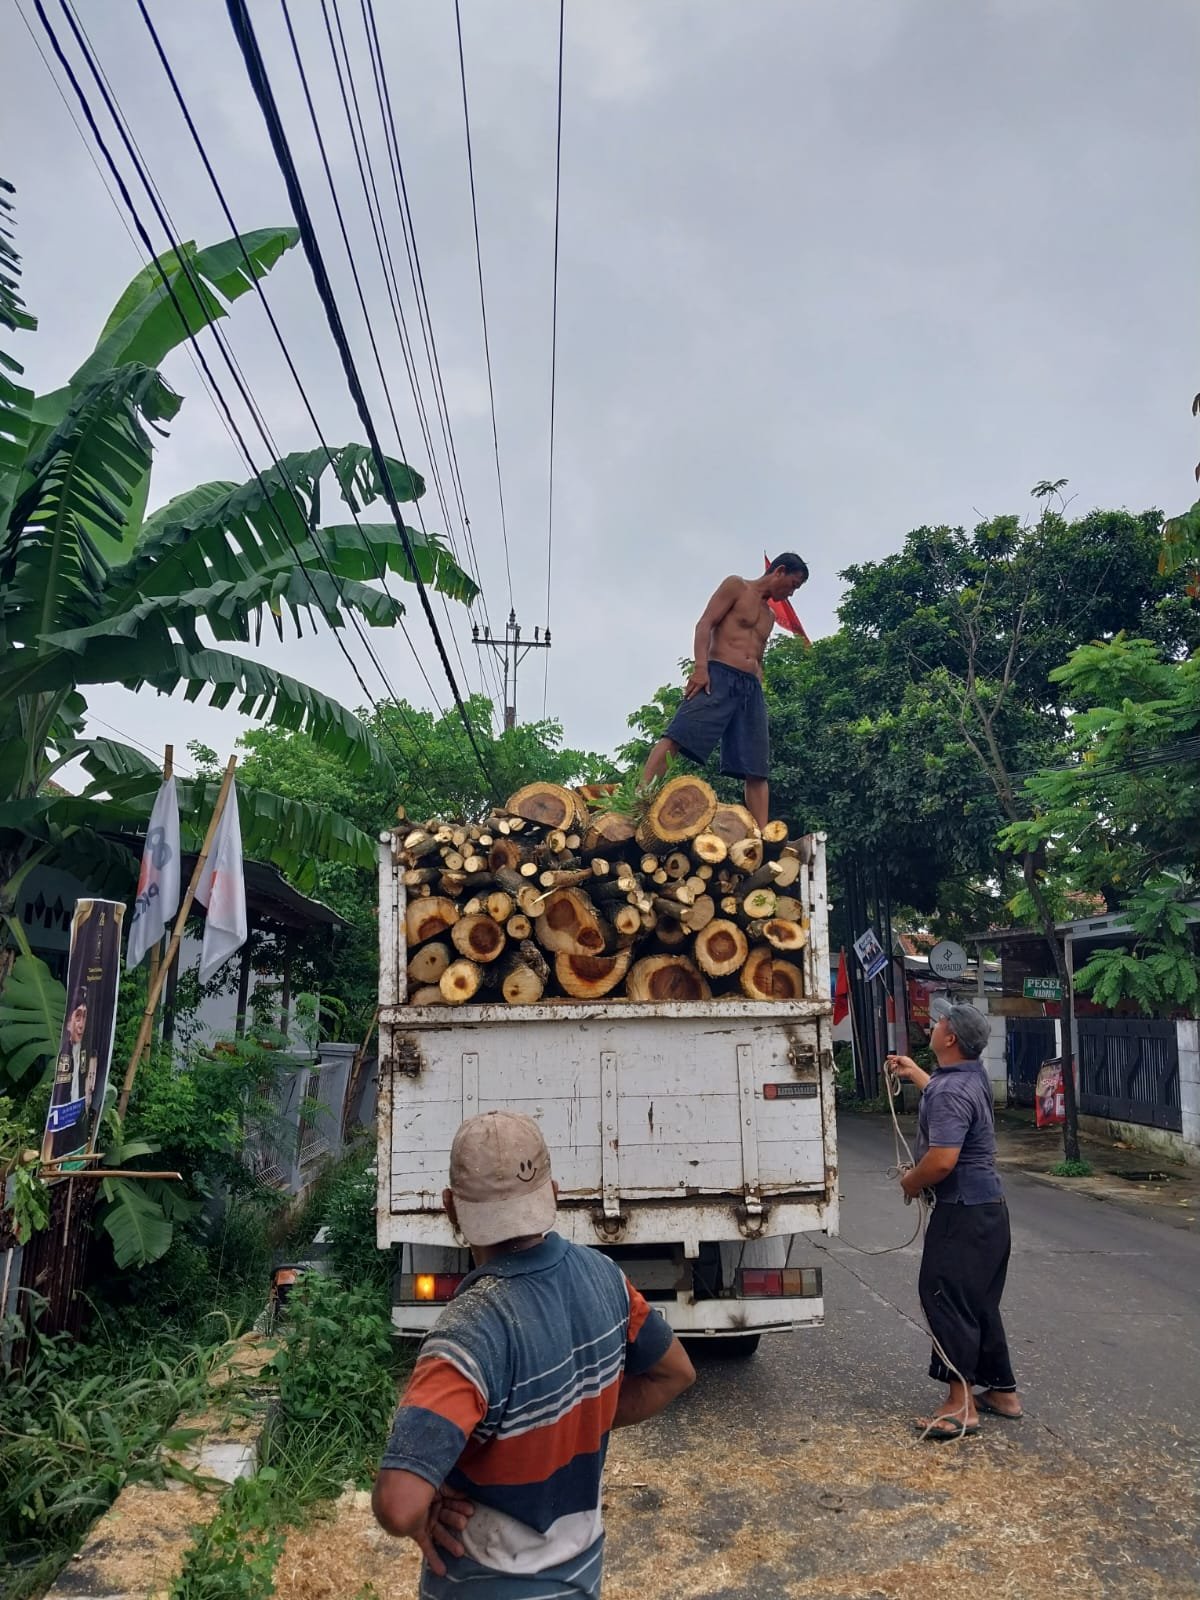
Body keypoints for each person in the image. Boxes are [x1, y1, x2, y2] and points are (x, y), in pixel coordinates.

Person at [372, 1110, 696, 1597]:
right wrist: (579, 1421)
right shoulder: (604, 1276)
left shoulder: (467, 1333)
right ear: (554, 1194)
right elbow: (675, 1374)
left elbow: (399, 1506)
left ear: (451, 1209)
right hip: (582, 1572)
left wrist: (423, 1505)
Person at [886, 1003, 1022, 1441]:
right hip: (989, 1213)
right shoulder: (968, 1078)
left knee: (944, 1297)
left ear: (951, 1039)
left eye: (941, 1022)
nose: (934, 1023)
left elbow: (942, 1161)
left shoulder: (949, 1091)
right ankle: (1002, 1392)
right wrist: (916, 1075)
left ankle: (960, 1405)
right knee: (978, 1302)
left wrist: (910, 1182)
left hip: (962, 1212)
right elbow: (947, 1098)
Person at [640, 553, 809, 828]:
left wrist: (758, 682)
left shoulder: (768, 616)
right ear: (779, 571)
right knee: (677, 735)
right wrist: (700, 667)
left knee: (756, 767)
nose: (791, 593)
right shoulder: (736, 586)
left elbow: (757, 655)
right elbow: (704, 623)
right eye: (793, 584)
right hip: (718, 675)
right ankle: (641, 799)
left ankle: (760, 834)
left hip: (750, 690)